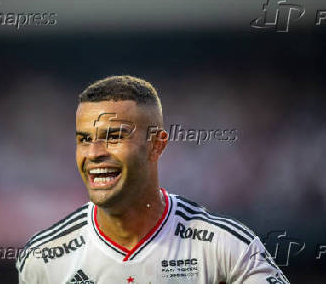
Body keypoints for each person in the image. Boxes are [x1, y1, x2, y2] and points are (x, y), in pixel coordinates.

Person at [17, 75, 289, 283]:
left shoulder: (228, 249)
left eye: (114, 137)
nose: (94, 153)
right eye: (84, 139)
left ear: (157, 145)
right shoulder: (43, 258)